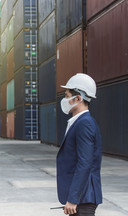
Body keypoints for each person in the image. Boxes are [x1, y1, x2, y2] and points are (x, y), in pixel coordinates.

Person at [57, 73, 102, 216]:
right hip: (81, 197)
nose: (64, 99)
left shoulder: (84, 124)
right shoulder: (79, 122)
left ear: (78, 98)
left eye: (66, 95)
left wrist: (73, 198)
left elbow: (85, 162)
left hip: (83, 198)